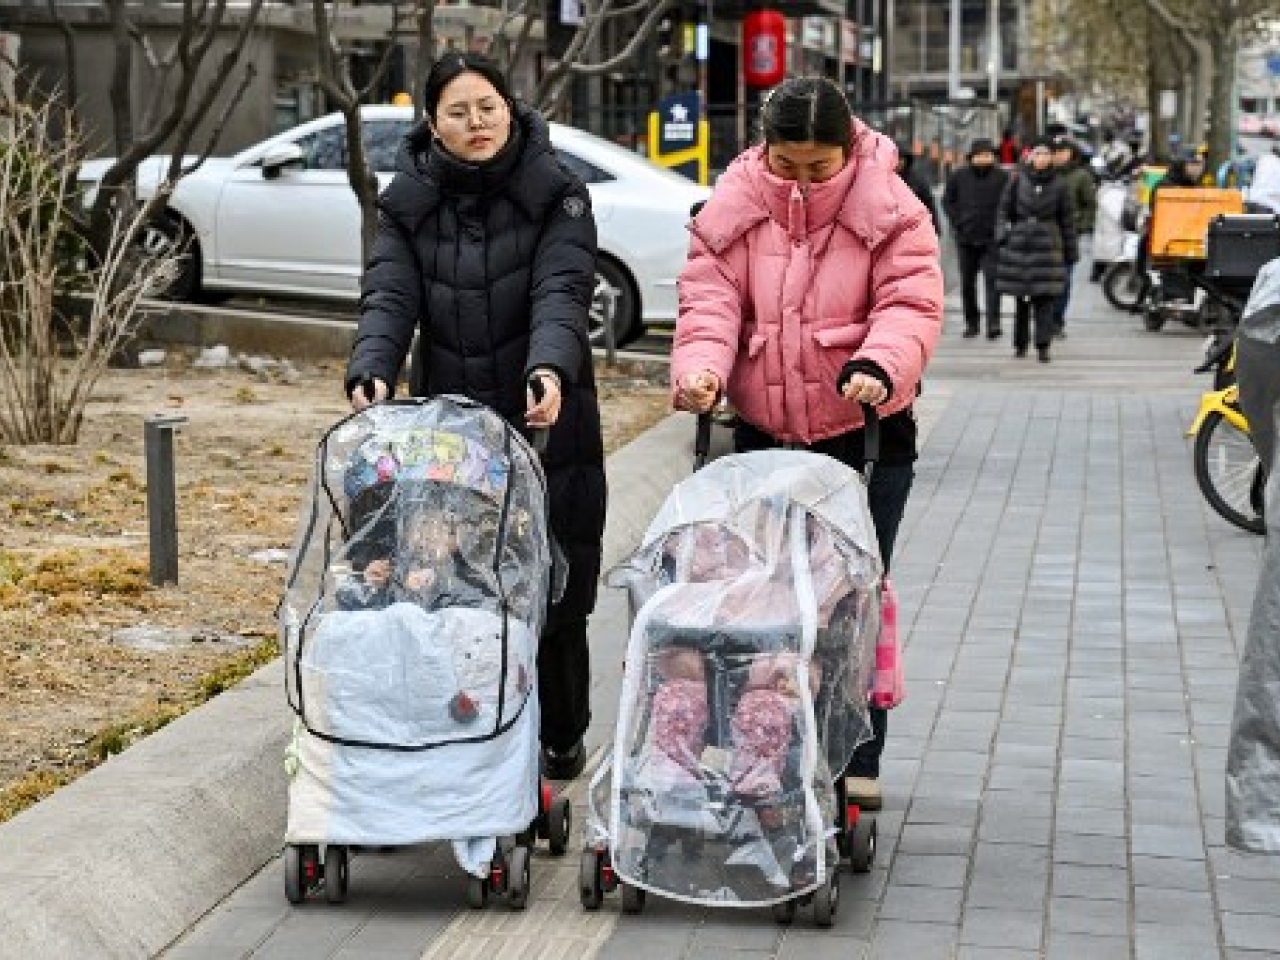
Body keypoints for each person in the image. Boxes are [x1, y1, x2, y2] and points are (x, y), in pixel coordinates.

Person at [671, 77, 944, 812]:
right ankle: (765, 743)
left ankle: (859, 754)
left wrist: (879, 366)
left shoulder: (892, 208)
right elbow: (710, 298)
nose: (800, 180)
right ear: (765, 149)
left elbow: (911, 305)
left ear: (849, 152)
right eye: (786, 164)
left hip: (867, 437)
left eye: (818, 168)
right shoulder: (736, 201)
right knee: (759, 600)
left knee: (850, 600)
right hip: (764, 436)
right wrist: (700, 369)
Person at [344, 53, 606, 781]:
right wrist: (373, 366)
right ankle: (465, 736)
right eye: (457, 112)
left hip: (548, 416)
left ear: (509, 106)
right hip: (450, 428)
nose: (476, 123)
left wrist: (549, 367)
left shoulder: (558, 193)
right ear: (434, 122)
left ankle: (560, 734)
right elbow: (389, 295)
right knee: (453, 583)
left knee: (555, 583)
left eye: (487, 107)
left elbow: (563, 289)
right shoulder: (409, 201)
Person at [995, 136, 1078, 363]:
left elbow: (1067, 220)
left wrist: (1071, 251)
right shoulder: (1018, 180)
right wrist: (1002, 235)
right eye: (1037, 154)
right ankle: (1020, 344)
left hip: (1049, 245)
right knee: (1021, 300)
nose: (1041, 159)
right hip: (1020, 244)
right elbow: (1003, 210)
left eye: (1045, 154)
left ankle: (1043, 344)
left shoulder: (1060, 185)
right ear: (1030, 156)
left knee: (1045, 299)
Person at [944, 137, 1010, 340]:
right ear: (971, 157)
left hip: (992, 238)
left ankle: (993, 323)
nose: (984, 158)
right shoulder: (958, 176)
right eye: (980, 155)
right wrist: (958, 222)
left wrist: (1003, 228)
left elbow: (1009, 203)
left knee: (993, 282)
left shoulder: (1002, 177)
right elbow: (948, 201)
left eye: (988, 155)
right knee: (967, 283)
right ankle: (971, 323)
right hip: (966, 237)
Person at [1051, 137, 1096, 337]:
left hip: (1069, 235)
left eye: (1063, 151)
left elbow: (1089, 204)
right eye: (1056, 151)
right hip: (1044, 237)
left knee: (1064, 280)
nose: (1059, 155)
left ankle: (1057, 320)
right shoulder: (1044, 173)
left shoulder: (1081, 176)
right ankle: (1045, 319)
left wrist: (1081, 226)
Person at [894, 139, 941, 236]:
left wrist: (934, 228)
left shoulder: (917, 180)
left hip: (912, 232)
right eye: (895, 158)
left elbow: (929, 204)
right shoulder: (880, 179)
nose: (898, 162)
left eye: (901, 159)